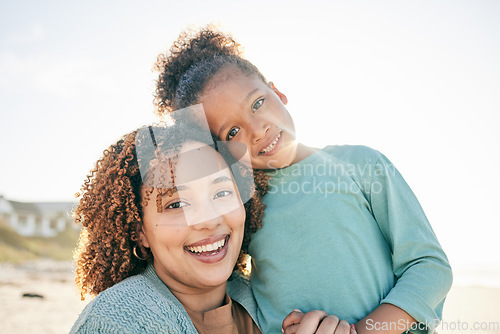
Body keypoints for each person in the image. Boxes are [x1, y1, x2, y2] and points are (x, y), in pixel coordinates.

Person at [153, 26, 454, 334]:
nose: (258, 130)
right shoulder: (240, 207)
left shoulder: (361, 164)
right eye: (232, 132)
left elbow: (430, 267)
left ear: (277, 92)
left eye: (257, 103)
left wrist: (363, 331)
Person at [70, 112, 355, 334]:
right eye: (176, 204)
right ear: (140, 231)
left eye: (221, 193)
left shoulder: (263, 300)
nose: (207, 220)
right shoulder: (119, 319)